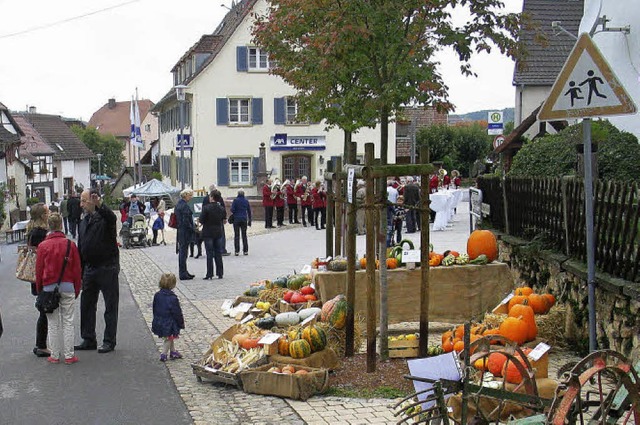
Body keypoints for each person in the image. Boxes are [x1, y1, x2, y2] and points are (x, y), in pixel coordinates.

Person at [75, 189, 120, 354]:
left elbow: (112, 217)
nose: (81, 204)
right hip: (89, 268)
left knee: (110, 306)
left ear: (94, 201)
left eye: (84, 201)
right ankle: (88, 338)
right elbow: (81, 247)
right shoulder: (84, 221)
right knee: (86, 305)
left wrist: (100, 205)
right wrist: (80, 273)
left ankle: (109, 340)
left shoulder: (105, 219)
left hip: (107, 267)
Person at [35, 213, 82, 364]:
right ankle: (69, 355)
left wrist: (39, 289)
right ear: (61, 225)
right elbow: (77, 269)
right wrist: (77, 288)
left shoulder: (43, 246)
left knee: (52, 322)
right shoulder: (70, 245)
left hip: (49, 288)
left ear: (49, 226)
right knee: (68, 321)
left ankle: (54, 355)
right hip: (68, 285)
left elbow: (39, 270)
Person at [26, 203, 51, 358]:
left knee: (43, 310)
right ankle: (41, 345)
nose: (49, 214)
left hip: (37, 274)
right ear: (42, 215)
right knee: (45, 310)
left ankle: (40, 344)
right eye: (47, 212)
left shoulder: (32, 231)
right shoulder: (40, 233)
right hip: (42, 274)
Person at [152, 273, 185, 362]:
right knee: (168, 338)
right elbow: (177, 312)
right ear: (173, 284)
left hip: (159, 320)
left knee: (170, 338)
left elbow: (154, 307)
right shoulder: (173, 298)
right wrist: (180, 323)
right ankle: (164, 354)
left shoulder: (157, 295)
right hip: (169, 323)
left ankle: (173, 351)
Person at [199, 190, 226, 279]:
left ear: (212, 197)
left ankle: (209, 273)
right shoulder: (221, 208)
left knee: (209, 253)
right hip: (218, 232)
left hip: (208, 232)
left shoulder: (206, 208)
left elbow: (201, 220)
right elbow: (223, 218)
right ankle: (220, 272)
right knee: (218, 253)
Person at [175, 189, 195, 281]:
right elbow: (186, 220)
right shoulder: (184, 206)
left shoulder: (179, 204)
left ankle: (184, 271)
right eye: (190, 195)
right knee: (183, 253)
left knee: (183, 252)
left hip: (181, 230)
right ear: (186, 195)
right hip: (184, 231)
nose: (191, 197)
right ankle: (183, 273)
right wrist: (192, 228)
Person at [230, 189, 251, 255]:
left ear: (238, 193)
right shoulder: (246, 201)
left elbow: (232, 210)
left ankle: (237, 251)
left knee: (236, 235)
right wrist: (250, 220)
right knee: (244, 235)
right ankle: (245, 250)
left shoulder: (235, 200)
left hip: (236, 219)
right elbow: (249, 211)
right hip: (244, 219)